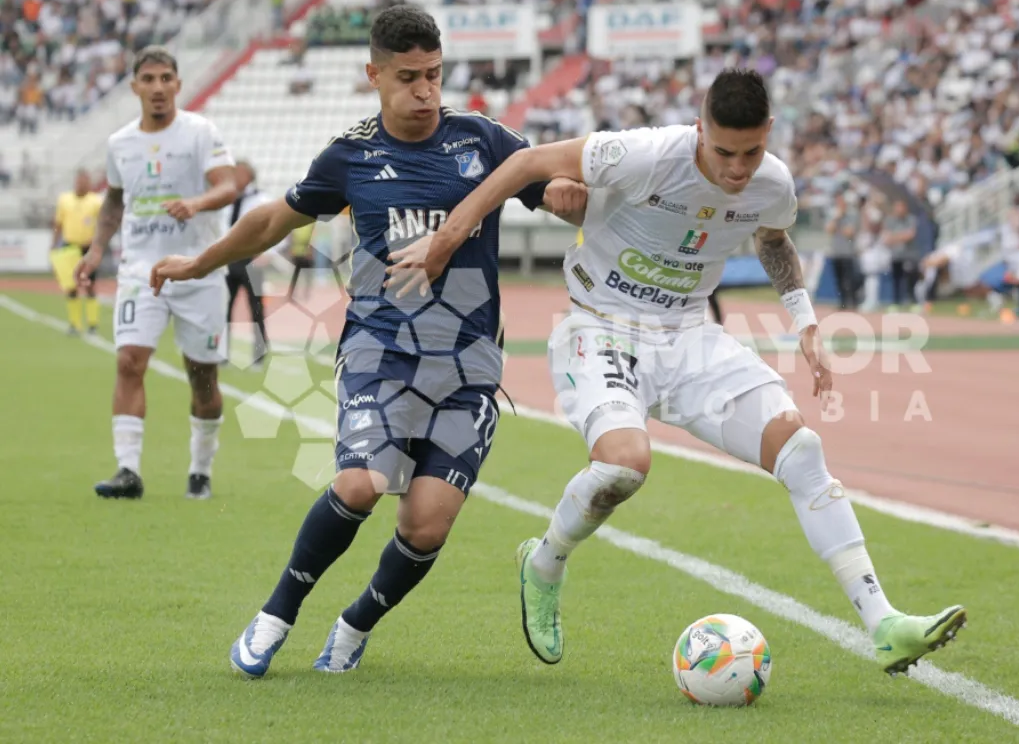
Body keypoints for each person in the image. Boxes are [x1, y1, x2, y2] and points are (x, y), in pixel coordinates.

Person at [393, 68, 966, 677]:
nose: (738, 168)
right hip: (601, 327)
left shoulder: (772, 183)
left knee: (800, 449)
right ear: (699, 129)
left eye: (751, 151)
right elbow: (524, 164)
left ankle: (884, 624)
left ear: (769, 133)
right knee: (623, 465)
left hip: (691, 338)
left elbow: (773, 239)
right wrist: (448, 239)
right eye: (723, 151)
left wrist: (805, 322)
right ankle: (545, 562)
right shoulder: (641, 156)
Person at [148, 5, 587, 678]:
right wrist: (198, 263)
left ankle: (355, 625)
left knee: (426, 526)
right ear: (373, 74)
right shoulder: (351, 155)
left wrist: (564, 196)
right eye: (409, 77)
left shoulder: (485, 142)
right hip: (380, 354)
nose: (426, 93)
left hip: (468, 368)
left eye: (436, 76)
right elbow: (272, 220)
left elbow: (549, 184)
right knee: (358, 485)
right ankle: (275, 616)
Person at [74, 46, 240, 502]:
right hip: (140, 270)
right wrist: (95, 252)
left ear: (178, 85)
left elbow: (228, 185)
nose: (158, 87)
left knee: (202, 378)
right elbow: (113, 201)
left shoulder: (201, 132)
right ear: (135, 87)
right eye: (149, 79)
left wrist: (196, 204)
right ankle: (128, 470)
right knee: (129, 361)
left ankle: (200, 469)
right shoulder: (119, 143)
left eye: (166, 78)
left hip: (198, 270)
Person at [226, 160, 272, 368]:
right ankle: (220, 354)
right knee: (224, 308)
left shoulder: (260, 199)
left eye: (239, 173)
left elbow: (274, 228)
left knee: (255, 309)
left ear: (248, 175)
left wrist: (265, 253)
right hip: (228, 259)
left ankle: (259, 355)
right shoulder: (228, 198)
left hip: (252, 259)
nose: (235, 176)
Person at [52, 168, 104, 335]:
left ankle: (92, 324)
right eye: (80, 181)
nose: (82, 184)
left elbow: (103, 224)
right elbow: (58, 223)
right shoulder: (64, 200)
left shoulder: (96, 201)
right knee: (71, 286)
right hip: (69, 247)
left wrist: (99, 244)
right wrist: (54, 243)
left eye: (85, 181)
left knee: (89, 285)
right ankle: (75, 324)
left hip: (88, 248)